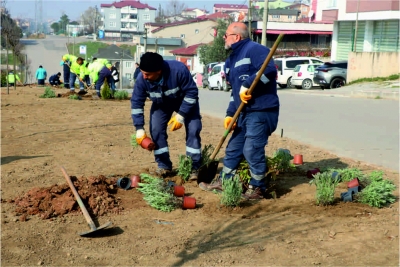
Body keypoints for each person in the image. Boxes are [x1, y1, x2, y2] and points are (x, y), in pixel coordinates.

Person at [198, 22, 279, 200]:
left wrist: (247, 84)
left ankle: (258, 188)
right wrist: (229, 114)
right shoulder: (230, 61)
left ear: (237, 37)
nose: (223, 38)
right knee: (233, 148)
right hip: (243, 113)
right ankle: (225, 182)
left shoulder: (255, 50)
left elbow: (270, 72)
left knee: (251, 149)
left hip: (262, 110)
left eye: (226, 35)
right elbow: (234, 94)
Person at [131, 52, 202, 179]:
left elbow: (192, 92)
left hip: (185, 102)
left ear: (158, 71)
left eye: (147, 74)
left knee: (194, 129)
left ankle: (194, 167)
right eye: (142, 72)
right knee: (156, 130)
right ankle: (164, 166)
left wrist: (181, 115)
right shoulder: (142, 79)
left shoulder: (178, 70)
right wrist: (139, 128)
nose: (144, 76)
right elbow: (136, 103)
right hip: (161, 105)